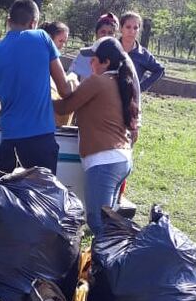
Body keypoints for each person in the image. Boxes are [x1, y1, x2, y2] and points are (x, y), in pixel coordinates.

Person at [52, 37, 138, 234]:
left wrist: (43, 96)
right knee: (107, 221)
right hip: (120, 159)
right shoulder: (119, 81)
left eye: (94, 59)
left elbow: (66, 106)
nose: (90, 63)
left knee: (98, 222)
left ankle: (106, 263)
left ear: (106, 62)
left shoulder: (98, 82)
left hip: (105, 162)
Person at [0, 0, 71, 174]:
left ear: (8, 22)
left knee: (9, 200)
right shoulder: (42, 38)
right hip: (41, 142)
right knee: (41, 200)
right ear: (34, 23)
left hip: (9, 144)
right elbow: (65, 89)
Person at [119, 11, 165, 93]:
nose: (132, 31)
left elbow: (160, 70)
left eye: (135, 28)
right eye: (128, 27)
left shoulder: (143, 55)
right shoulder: (112, 48)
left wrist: (140, 88)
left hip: (130, 102)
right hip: (107, 99)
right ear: (121, 28)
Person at [69, 12, 119, 82]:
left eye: (110, 33)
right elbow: (72, 75)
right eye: (103, 32)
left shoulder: (119, 60)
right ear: (96, 34)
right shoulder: (84, 55)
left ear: (115, 36)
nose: (106, 35)